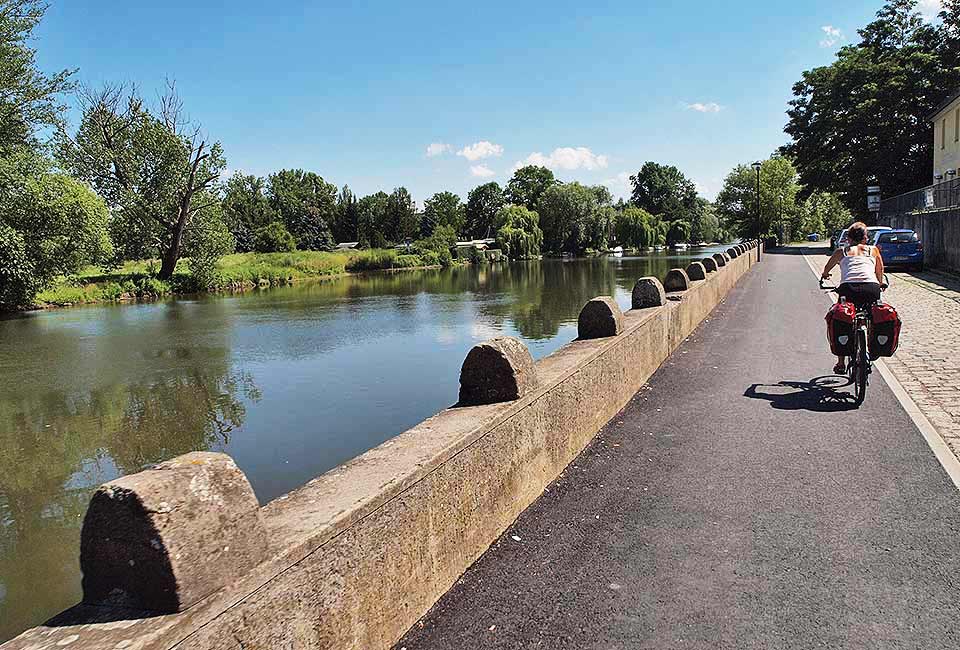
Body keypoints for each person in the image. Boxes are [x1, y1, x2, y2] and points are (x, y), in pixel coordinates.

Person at [821, 222, 884, 374]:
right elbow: (880, 269)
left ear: (848, 239)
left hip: (848, 289)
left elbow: (826, 269)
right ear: (865, 238)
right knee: (873, 315)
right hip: (871, 289)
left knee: (841, 318)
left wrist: (825, 275)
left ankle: (841, 363)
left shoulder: (840, 252)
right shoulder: (873, 250)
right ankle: (872, 346)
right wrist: (880, 283)